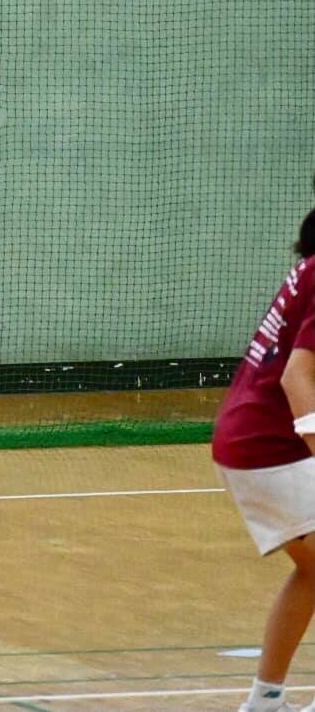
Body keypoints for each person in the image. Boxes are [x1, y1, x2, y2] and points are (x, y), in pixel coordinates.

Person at [214, 199, 315, 712]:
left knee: (313, 571)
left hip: (247, 438)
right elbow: (298, 377)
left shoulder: (311, 268)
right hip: (270, 446)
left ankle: (264, 701)